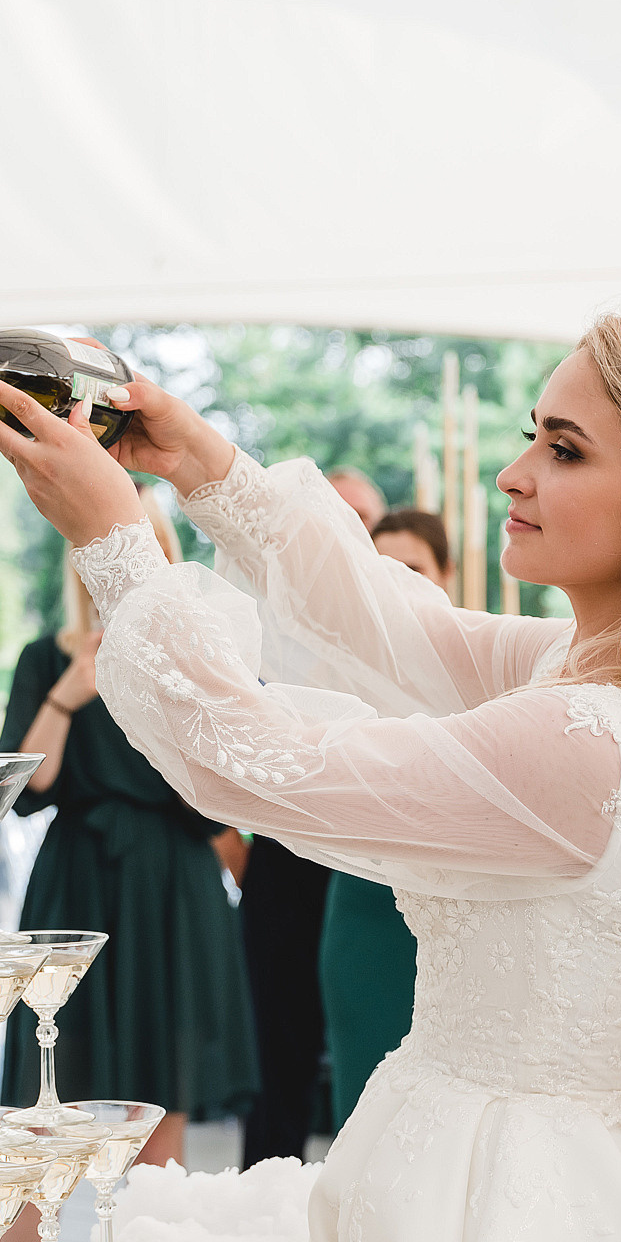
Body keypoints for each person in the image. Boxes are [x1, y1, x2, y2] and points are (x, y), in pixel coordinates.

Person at [0, 309, 621, 1242]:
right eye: (531, 435)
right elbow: (394, 625)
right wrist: (202, 463)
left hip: (516, 1187)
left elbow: (261, 763)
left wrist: (116, 543)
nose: (514, 473)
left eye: (566, 450)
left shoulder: (590, 740)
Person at [0, 484, 257, 1179]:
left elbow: (217, 798)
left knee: (163, 1082)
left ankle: (148, 1227)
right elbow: (22, 791)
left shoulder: (196, 662)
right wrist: (67, 696)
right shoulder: (46, 658)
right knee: (45, 1089)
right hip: (77, 877)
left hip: (172, 882)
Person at [233, 469, 388, 1164]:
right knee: (276, 1045)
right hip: (286, 853)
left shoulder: (399, 630)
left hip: (382, 858)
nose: (349, 529)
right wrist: (235, 850)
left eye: (363, 518)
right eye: (337, 513)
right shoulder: (266, 619)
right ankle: (269, 1189)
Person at [315, 508, 450, 1130]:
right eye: (382, 570)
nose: (397, 585)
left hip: (461, 908)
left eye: (413, 569)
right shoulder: (333, 677)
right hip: (366, 908)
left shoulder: (486, 663)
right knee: (366, 1098)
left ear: (446, 573)